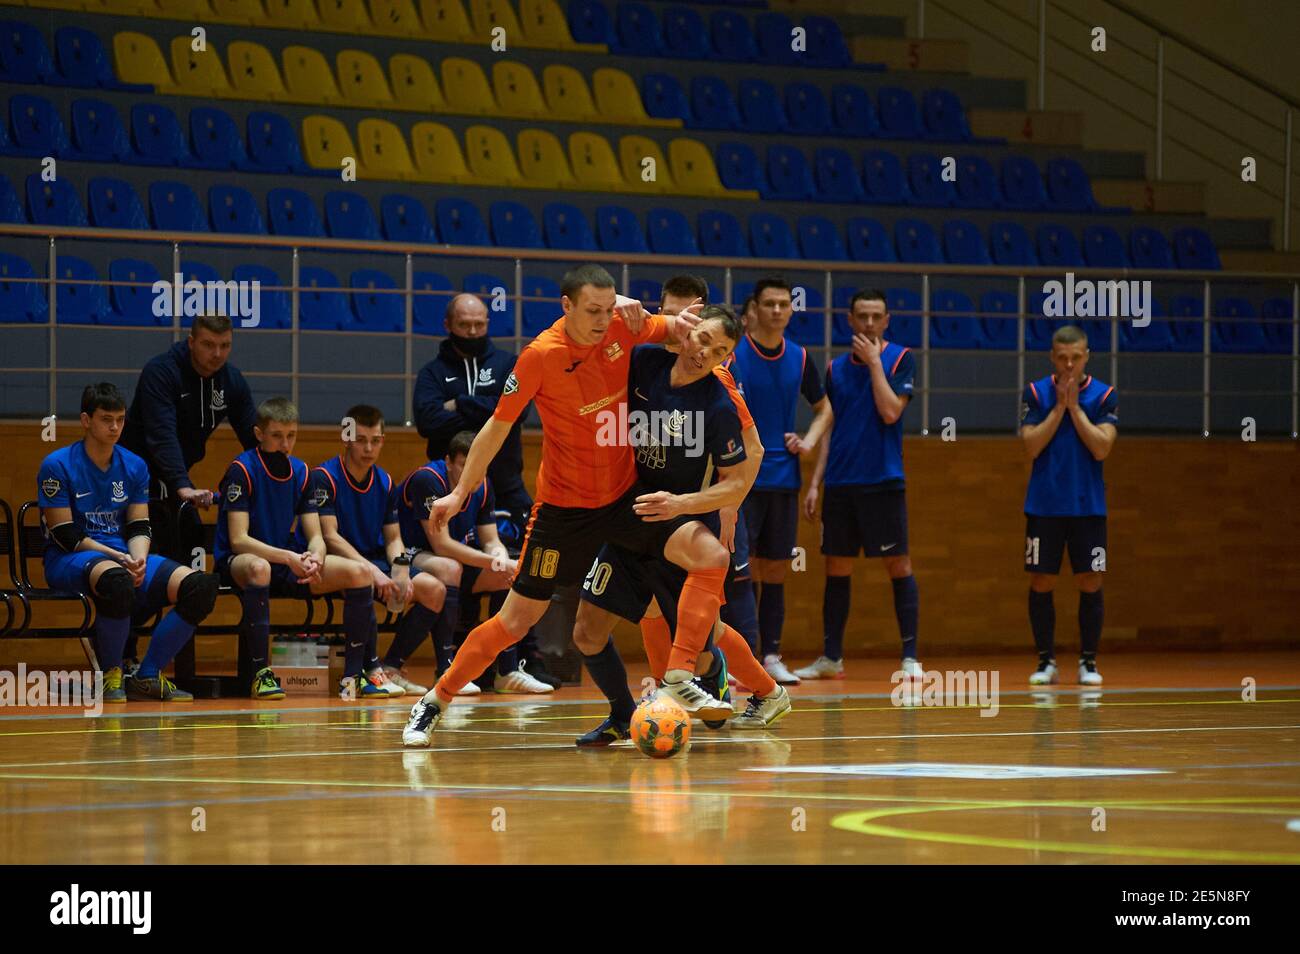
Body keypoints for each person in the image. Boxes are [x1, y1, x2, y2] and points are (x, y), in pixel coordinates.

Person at [401, 264, 731, 747]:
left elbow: (673, 329)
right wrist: (459, 492)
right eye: (592, 311)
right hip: (563, 510)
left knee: (703, 557)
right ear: (567, 306)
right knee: (515, 621)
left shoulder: (622, 324)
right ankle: (434, 701)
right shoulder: (540, 357)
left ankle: (695, 669)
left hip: (624, 498)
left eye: (607, 308)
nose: (601, 320)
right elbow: (495, 428)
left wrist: (677, 324)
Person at [573, 304, 792, 746]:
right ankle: (629, 711)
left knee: (706, 629)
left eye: (720, 349)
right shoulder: (644, 361)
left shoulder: (719, 400)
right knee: (587, 632)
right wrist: (618, 304)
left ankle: (709, 681)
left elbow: (746, 466)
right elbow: (592, 340)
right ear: (682, 330)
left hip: (680, 520)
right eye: (702, 338)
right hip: (630, 518)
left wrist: (689, 504)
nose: (705, 352)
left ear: (727, 358)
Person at [37, 383, 219, 702]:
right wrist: (119, 559)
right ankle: (111, 675)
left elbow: (138, 525)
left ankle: (147, 675)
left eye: (120, 419)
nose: (115, 427)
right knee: (118, 580)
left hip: (119, 557)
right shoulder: (57, 464)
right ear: (85, 420)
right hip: (69, 558)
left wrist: (139, 559)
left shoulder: (134, 465)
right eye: (106, 419)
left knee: (199, 587)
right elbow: (65, 534)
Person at [412, 292, 558, 686]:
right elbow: (426, 420)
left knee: (523, 562)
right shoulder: (431, 372)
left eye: (480, 325)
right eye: (465, 326)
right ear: (448, 326)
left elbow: (516, 412)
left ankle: (523, 660)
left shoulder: (506, 362)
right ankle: (462, 663)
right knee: (459, 562)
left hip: (506, 485)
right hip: (454, 486)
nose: (473, 332)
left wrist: (456, 404)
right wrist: (488, 408)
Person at [213, 397, 379, 700]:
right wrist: (289, 557)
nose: (285, 444)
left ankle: (353, 678)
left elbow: (316, 535)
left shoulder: (302, 472)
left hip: (286, 559)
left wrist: (316, 557)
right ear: (259, 434)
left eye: (291, 436)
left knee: (360, 572)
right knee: (258, 567)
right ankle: (261, 674)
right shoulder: (242, 469)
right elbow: (239, 539)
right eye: (277, 436)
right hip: (242, 560)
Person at [798, 290, 923, 681]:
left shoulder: (901, 358)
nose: (869, 323)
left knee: (898, 563)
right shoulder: (834, 369)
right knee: (836, 567)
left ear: (887, 321)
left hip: (883, 482)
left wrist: (873, 364)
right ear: (849, 320)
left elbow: (890, 412)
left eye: (876, 317)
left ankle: (909, 658)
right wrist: (816, 482)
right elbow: (830, 428)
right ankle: (831, 656)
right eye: (862, 317)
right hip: (840, 484)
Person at [728, 277, 834, 684]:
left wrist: (806, 440)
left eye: (783, 304)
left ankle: (771, 655)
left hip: (784, 479)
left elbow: (825, 409)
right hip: (741, 480)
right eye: (768, 304)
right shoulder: (734, 353)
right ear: (753, 309)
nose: (776, 311)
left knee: (775, 570)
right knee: (741, 570)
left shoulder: (801, 357)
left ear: (791, 310)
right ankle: (743, 659)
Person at [307, 404, 451, 698]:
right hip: (336, 562)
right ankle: (369, 672)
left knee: (434, 590)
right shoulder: (325, 477)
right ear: (346, 438)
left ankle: (392, 667)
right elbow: (330, 536)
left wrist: (399, 572)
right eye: (361, 440)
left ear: (383, 440)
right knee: (360, 575)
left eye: (375, 440)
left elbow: (394, 538)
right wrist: (374, 573)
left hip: (372, 561)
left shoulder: (385, 482)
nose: (369, 448)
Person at [391, 431, 552, 694]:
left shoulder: (483, 484)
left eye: (479, 464)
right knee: (450, 567)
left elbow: (490, 539)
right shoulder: (428, 480)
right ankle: (447, 668)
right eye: (465, 465)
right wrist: (492, 561)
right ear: (449, 462)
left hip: (456, 557)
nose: (474, 472)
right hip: (411, 553)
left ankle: (507, 671)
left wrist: (500, 558)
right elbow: (441, 545)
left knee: (506, 571)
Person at [120, 312, 258, 585]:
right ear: (191, 342)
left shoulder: (231, 381)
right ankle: (127, 626)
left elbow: (254, 435)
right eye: (209, 344)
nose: (217, 354)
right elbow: (162, 436)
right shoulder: (161, 373)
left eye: (225, 345)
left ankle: (182, 614)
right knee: (143, 569)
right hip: (133, 479)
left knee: (192, 542)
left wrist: (274, 473)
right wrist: (183, 486)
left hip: (172, 482)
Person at [1019, 324, 1117, 686]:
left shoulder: (1104, 396)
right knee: (1042, 579)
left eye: (1076, 358)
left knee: (1090, 580)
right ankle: (1046, 661)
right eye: (1062, 358)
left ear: (1086, 356)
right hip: (1044, 505)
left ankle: (1088, 662)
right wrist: (1059, 407)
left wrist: (1076, 410)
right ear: (1052, 357)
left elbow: (1101, 447)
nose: (1069, 365)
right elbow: (1030, 445)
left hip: (1088, 507)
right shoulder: (1035, 392)